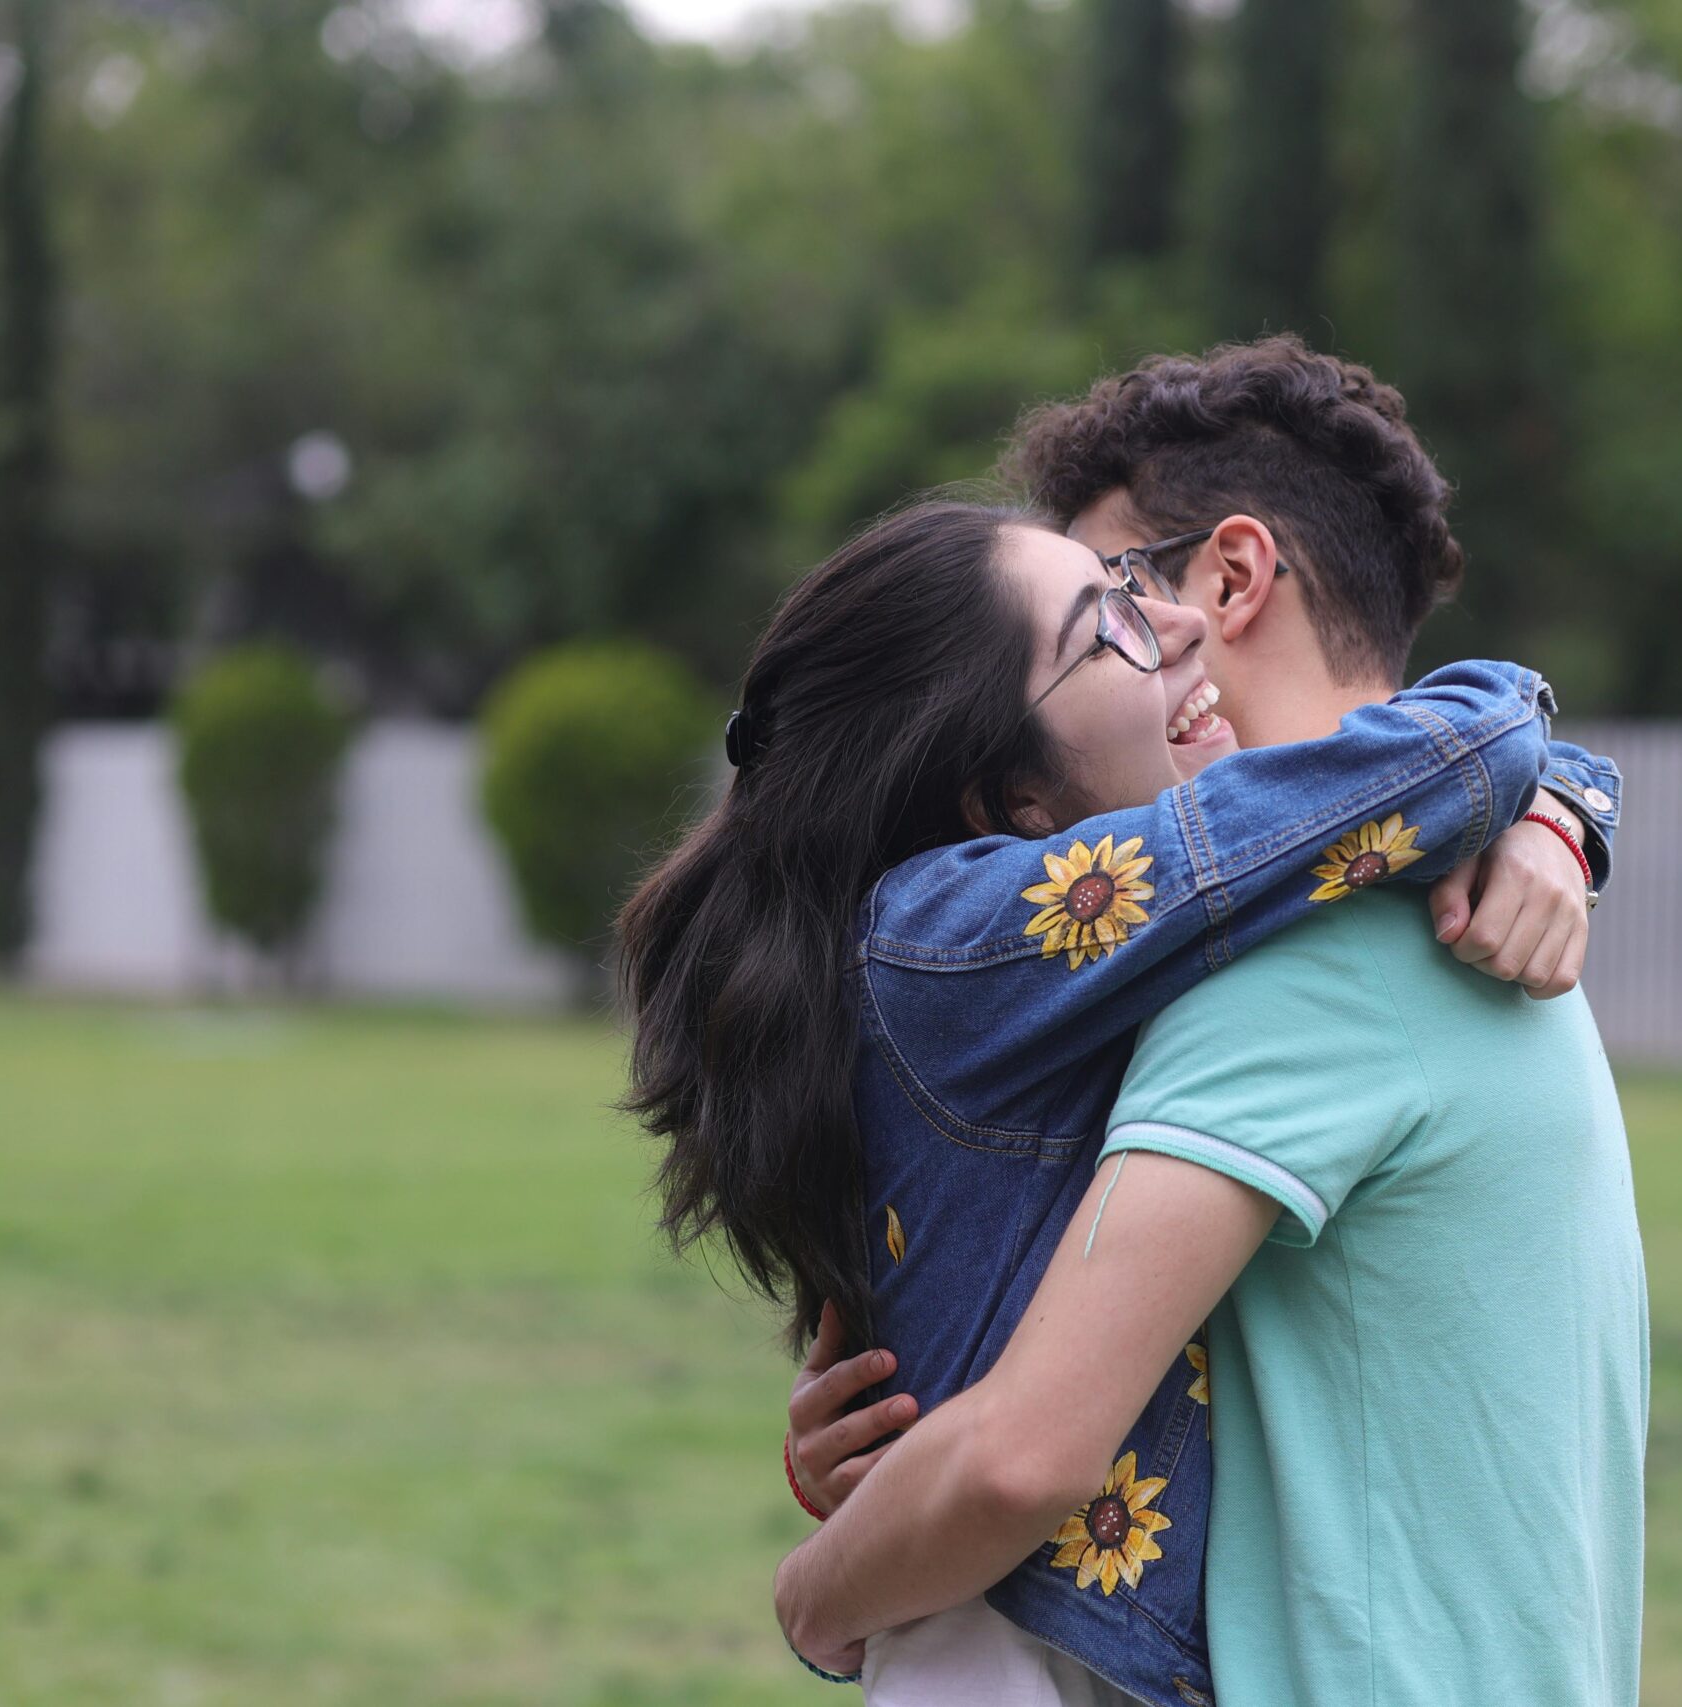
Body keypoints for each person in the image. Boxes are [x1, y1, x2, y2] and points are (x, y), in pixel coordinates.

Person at [620, 345, 1623, 1707]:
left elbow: (1019, 1451)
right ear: (1011, 804)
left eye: (1128, 587)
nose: (1169, 634)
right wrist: (1559, 799)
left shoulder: (1309, 957)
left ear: (1234, 577)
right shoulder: (1366, 937)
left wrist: (823, 1585)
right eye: (1110, 622)